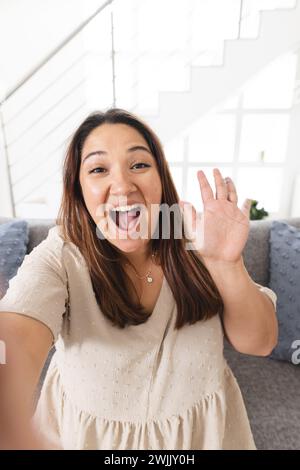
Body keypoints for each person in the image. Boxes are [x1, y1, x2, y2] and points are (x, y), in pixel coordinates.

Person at [0, 108, 278, 450]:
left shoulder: (196, 234)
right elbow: (16, 340)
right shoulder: (61, 254)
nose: (123, 185)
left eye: (139, 165)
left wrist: (226, 263)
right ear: (79, 189)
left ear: (161, 178)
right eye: (99, 169)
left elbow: (260, 342)